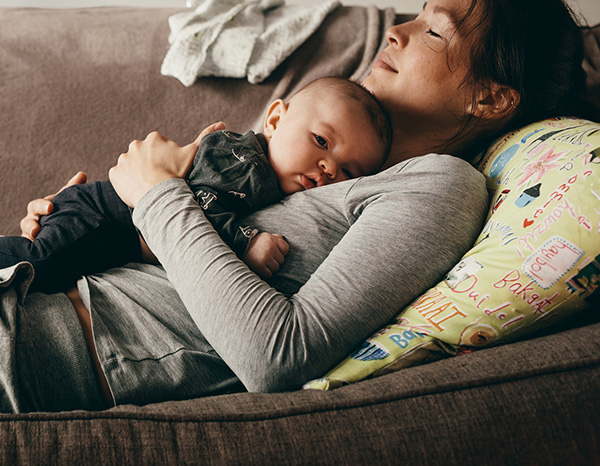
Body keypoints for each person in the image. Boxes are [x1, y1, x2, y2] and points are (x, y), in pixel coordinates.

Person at [4, 0, 589, 413]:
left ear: (489, 98)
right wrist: (80, 221)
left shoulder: (438, 188)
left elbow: (274, 356)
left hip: (52, 348)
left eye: (434, 30)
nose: (396, 31)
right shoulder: (310, 141)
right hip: (36, 290)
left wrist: (156, 196)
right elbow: (181, 223)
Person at [0, 77, 391, 292]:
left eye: (349, 172)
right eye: (321, 142)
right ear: (274, 120)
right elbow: (199, 201)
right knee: (38, 264)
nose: (328, 168)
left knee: (45, 281)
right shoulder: (246, 162)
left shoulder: (272, 180)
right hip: (104, 216)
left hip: (117, 238)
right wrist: (246, 242)